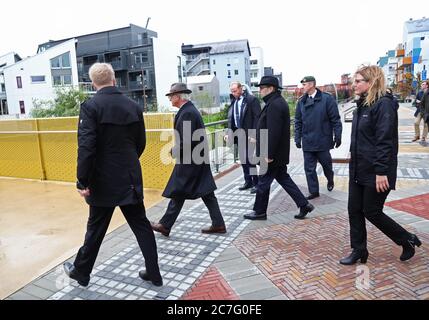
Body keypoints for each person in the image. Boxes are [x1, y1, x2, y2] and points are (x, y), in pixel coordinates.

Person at [64, 63, 162, 287]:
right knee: (141, 225)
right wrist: (127, 164)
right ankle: (154, 274)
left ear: (93, 83)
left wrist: (82, 180)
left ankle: (81, 272)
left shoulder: (90, 107)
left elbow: (86, 147)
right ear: (114, 79)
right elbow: (140, 143)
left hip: (102, 181)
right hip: (129, 178)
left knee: (96, 228)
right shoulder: (133, 106)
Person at [340, 65, 421, 265]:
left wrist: (381, 171)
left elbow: (385, 141)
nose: (354, 84)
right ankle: (359, 250)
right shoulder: (362, 105)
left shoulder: (383, 105)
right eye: (354, 81)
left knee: (372, 211)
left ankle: (406, 240)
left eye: (358, 81)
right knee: (354, 210)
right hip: (358, 168)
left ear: (371, 82)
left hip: (377, 171)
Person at [151, 83, 226, 236]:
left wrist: (173, 150)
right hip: (196, 159)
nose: (170, 99)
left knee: (179, 190)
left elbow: (187, 140)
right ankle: (218, 224)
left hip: (191, 160)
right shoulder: (188, 111)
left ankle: (165, 225)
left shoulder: (187, 113)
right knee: (206, 192)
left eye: (171, 96)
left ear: (178, 96)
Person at [244, 76, 315, 221]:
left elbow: (274, 131)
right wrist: (257, 138)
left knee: (263, 183)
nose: (260, 90)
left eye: (262, 88)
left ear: (271, 88)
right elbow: (269, 128)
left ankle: (259, 212)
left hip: (271, 155)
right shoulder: (275, 102)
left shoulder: (275, 104)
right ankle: (304, 204)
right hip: (276, 153)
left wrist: (268, 154)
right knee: (283, 178)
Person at [295, 76, 342, 200]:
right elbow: (298, 121)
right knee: (309, 169)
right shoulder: (301, 102)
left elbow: (335, 119)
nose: (302, 87)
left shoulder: (327, 99)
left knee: (327, 166)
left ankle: (330, 178)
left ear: (311, 84)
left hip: (323, 141)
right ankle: (313, 191)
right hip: (308, 141)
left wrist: (338, 136)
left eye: (304, 84)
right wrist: (297, 138)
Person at [226, 82, 261, 193]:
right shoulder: (233, 101)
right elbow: (231, 119)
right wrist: (228, 133)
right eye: (232, 91)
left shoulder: (251, 100)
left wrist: (254, 134)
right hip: (238, 135)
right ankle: (248, 181)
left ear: (241, 88)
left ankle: (256, 183)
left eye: (235, 90)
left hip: (249, 135)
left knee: (250, 160)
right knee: (243, 160)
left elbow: (257, 118)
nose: (233, 93)